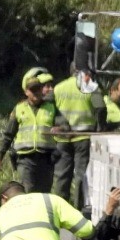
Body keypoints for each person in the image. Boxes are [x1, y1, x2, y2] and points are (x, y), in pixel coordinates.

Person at [0, 67, 58, 194]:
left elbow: (63, 128)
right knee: (28, 193)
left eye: (38, 89)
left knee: (44, 195)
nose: (35, 93)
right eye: (32, 90)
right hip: (25, 160)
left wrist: (60, 129)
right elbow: (8, 135)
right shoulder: (19, 109)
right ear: (26, 92)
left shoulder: (51, 108)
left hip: (46, 159)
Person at [51, 65, 106, 209]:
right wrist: (100, 129)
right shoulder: (90, 87)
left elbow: (51, 110)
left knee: (62, 175)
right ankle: (79, 209)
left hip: (62, 138)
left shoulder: (58, 88)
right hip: (83, 137)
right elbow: (101, 110)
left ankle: (59, 209)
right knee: (82, 175)